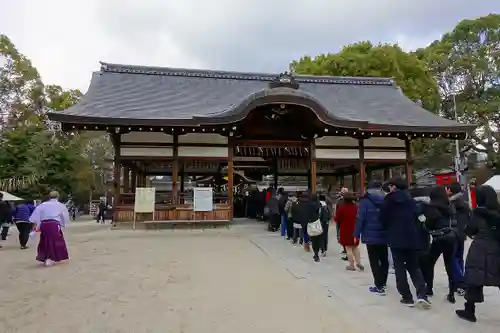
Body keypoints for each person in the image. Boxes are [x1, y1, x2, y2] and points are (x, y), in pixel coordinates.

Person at [379, 177, 430, 308]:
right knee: (414, 267)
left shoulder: (388, 200)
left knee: (399, 267)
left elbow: (382, 219)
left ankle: (407, 297)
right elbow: (417, 217)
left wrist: (388, 229)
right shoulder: (411, 200)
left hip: (395, 237)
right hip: (411, 236)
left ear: (393, 187)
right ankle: (422, 295)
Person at [455, 185, 500, 323]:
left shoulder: (479, 213)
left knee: (474, 279)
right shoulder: (498, 212)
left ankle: (469, 311)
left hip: (479, 249)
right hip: (497, 249)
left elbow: (469, 231)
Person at [422, 185, 458, 303]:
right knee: (449, 264)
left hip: (439, 239)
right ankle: (452, 293)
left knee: (429, 262)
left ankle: (429, 289)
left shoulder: (432, 207)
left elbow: (428, 225)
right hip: (451, 237)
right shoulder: (449, 206)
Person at [354, 180, 387, 294]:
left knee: (374, 260)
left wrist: (356, 234)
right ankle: (383, 281)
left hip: (370, 235)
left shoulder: (365, 201)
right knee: (384, 259)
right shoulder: (386, 199)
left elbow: (360, 218)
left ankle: (378, 285)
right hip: (384, 234)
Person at [29, 191, 70, 267]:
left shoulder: (43, 205)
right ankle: (50, 258)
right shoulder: (60, 205)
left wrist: (36, 226)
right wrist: (63, 224)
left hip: (44, 224)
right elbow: (64, 217)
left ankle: (46, 257)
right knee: (54, 241)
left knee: (45, 240)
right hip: (54, 224)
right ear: (58, 196)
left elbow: (36, 215)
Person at [446, 182, 471, 296]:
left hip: (453, 233)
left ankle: (461, 282)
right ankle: (459, 281)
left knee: (452, 259)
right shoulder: (465, 203)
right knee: (459, 258)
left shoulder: (450, 204)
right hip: (462, 234)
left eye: (446, 189)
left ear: (450, 190)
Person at [335, 192, 363, 271]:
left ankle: (351, 265)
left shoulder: (342, 208)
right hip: (355, 229)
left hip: (345, 229)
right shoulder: (356, 207)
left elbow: (337, 219)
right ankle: (359, 262)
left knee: (348, 248)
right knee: (355, 247)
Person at [292, 192, 320, 260]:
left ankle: (306, 244)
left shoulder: (299, 204)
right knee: (313, 234)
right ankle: (313, 248)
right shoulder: (312, 204)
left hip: (303, 221)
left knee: (305, 232)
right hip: (311, 221)